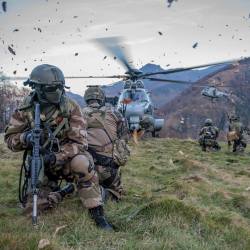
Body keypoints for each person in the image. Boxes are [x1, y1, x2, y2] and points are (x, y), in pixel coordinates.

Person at [4, 64, 112, 230]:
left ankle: (97, 211)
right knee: (31, 211)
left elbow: (80, 143)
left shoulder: (70, 107)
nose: (58, 91)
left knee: (82, 162)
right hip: (41, 167)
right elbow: (10, 139)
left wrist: (57, 157)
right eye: (52, 88)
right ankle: (63, 192)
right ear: (37, 88)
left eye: (60, 87)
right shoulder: (25, 109)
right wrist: (26, 137)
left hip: (67, 162)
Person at [82, 86, 130, 202]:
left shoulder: (78, 114)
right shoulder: (115, 113)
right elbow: (124, 138)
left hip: (85, 167)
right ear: (102, 99)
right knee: (116, 194)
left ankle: (87, 190)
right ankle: (104, 194)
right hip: (108, 169)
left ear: (86, 99)